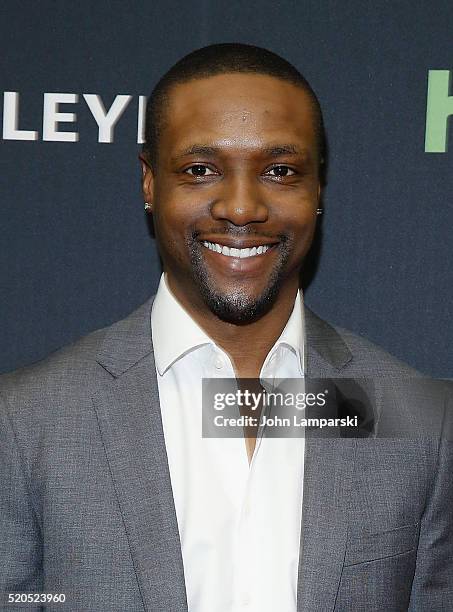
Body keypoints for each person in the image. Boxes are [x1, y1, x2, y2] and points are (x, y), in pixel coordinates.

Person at [0, 43, 452, 612]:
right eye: (200, 170)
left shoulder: (422, 425)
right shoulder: (24, 423)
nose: (241, 208)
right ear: (149, 183)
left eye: (280, 171)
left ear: (318, 191)